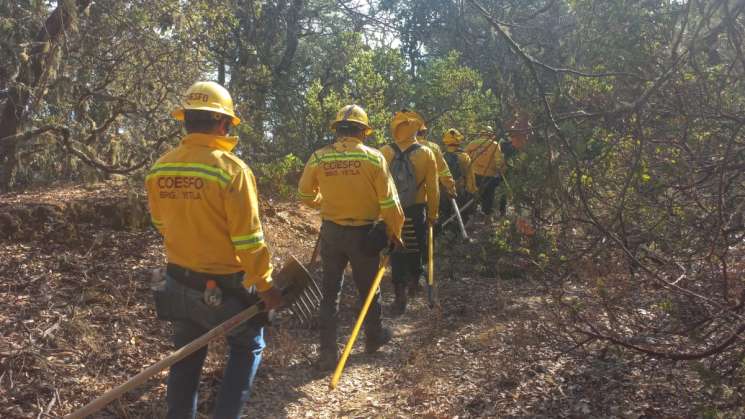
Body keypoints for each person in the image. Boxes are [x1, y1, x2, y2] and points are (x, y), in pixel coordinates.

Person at [145, 81, 282, 419]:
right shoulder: (232, 170)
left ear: (186, 120)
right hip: (227, 286)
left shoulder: (161, 168)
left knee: (186, 357)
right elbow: (249, 241)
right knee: (247, 344)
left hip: (178, 281)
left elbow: (161, 224)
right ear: (223, 123)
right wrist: (265, 286)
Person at [298, 104, 404, 372]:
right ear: (363, 132)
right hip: (364, 234)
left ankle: (327, 355)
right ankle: (373, 338)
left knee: (330, 293)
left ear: (338, 130)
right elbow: (390, 202)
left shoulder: (320, 157)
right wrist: (394, 232)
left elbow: (305, 196)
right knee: (369, 289)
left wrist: (324, 202)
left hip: (332, 232)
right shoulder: (373, 158)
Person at [380, 110, 439, 315]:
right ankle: (415, 281)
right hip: (416, 209)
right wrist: (433, 213)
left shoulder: (384, 152)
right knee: (416, 247)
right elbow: (433, 188)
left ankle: (399, 292)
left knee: (396, 249)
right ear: (416, 128)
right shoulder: (426, 153)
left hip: (391, 209)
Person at [464, 125, 507, 218]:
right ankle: (486, 215)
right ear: (491, 134)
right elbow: (499, 161)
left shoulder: (473, 143)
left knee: (473, 194)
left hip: (474, 174)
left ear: (481, 134)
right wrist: (502, 170)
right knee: (488, 195)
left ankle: (471, 214)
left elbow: (465, 157)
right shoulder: (494, 144)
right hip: (489, 175)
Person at [440, 128, 477, 229]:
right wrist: (472, 190)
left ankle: (446, 231)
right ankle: (458, 232)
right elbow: (470, 175)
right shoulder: (464, 157)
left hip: (444, 190)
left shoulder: (441, 157)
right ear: (458, 141)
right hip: (459, 190)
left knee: (445, 213)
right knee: (461, 213)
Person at [416, 124, 457, 202]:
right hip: (426, 195)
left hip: (402, 196)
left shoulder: (394, 148)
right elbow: (444, 172)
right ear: (424, 133)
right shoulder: (433, 147)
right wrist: (451, 188)